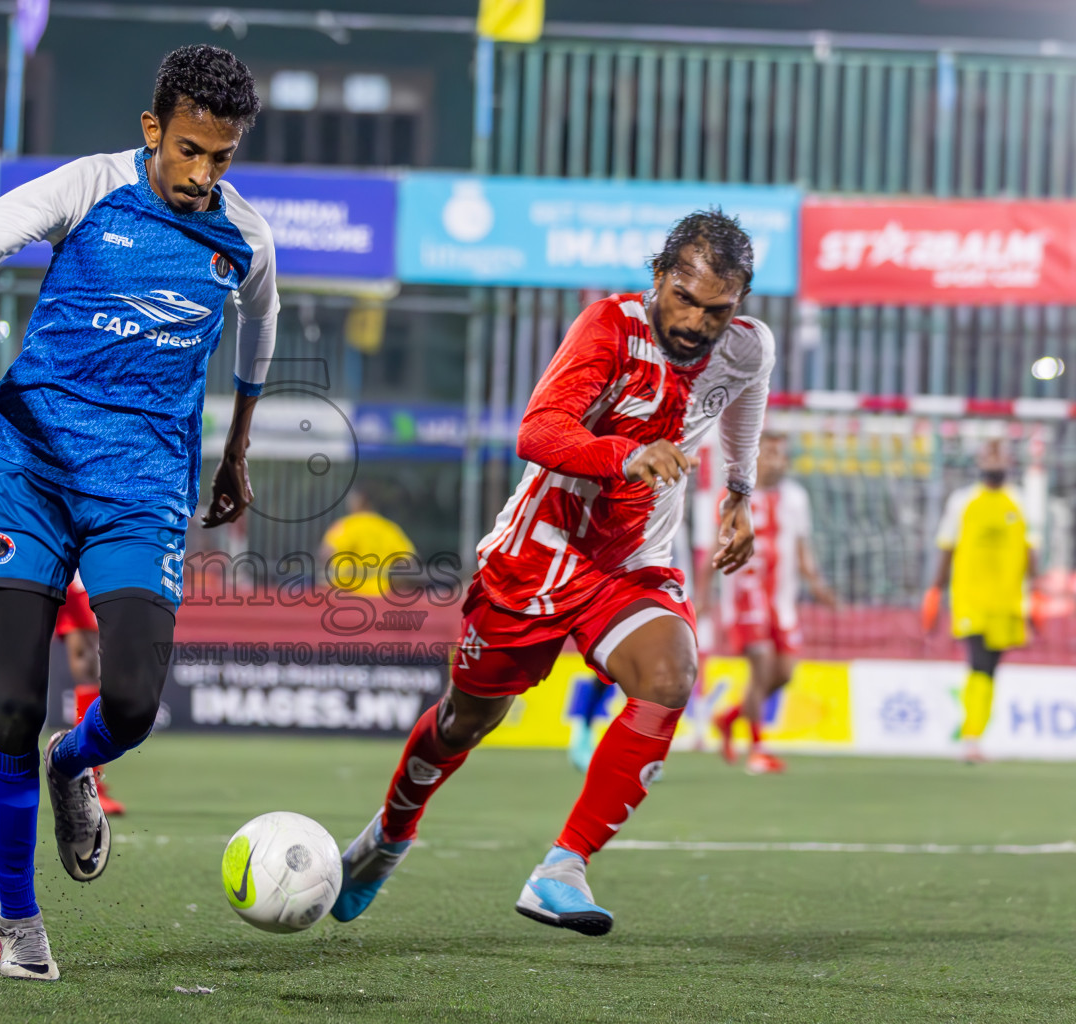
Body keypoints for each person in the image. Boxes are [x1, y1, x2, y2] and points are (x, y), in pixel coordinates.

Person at [0, 44, 275, 981]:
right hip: (28, 467)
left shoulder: (245, 238)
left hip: (143, 483)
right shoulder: (87, 189)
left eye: (223, 157)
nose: (204, 176)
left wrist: (235, 451)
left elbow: (259, 340)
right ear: (154, 129)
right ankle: (18, 920)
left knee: (131, 703)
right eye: (190, 150)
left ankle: (75, 762)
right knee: (14, 705)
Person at [329, 209, 772, 937]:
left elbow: (743, 404)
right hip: (539, 553)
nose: (696, 322)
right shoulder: (608, 327)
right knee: (464, 721)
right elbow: (538, 429)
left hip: (632, 560)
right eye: (684, 299)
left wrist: (739, 497)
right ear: (658, 278)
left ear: (740, 305)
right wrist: (625, 454)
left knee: (669, 675)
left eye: (717, 310)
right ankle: (388, 837)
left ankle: (563, 867)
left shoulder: (748, 349)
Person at [703, 432, 836, 775]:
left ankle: (728, 718)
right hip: (746, 599)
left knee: (784, 673)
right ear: (756, 458)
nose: (780, 462)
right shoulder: (732, 497)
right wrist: (704, 599)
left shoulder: (795, 498)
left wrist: (819, 586)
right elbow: (710, 553)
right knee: (761, 666)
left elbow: (803, 551)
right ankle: (758, 750)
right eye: (772, 454)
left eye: (783, 455)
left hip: (782, 602)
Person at [0, 575, 123, 816]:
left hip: (78, 565)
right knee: (14, 667)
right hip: (36, 554)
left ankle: (87, 782)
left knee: (89, 662)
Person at [922, 439, 1035, 763]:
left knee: (990, 666)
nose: (995, 462)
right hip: (971, 597)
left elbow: (1030, 550)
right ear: (980, 462)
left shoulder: (1019, 501)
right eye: (990, 455)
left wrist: (1036, 591)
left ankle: (975, 735)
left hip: (1007, 600)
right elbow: (947, 546)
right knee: (980, 661)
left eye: (1001, 455)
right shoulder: (963, 501)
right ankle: (971, 737)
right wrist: (935, 590)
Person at [318, 491, 417, 596]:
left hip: (344, 593)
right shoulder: (389, 528)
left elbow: (326, 553)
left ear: (359, 501)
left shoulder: (346, 526)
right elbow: (410, 561)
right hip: (377, 594)